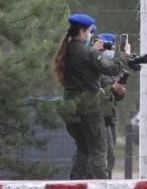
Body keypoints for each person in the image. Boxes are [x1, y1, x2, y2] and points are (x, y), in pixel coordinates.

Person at [52, 14, 126, 179]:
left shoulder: (67, 50)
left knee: (83, 149)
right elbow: (113, 69)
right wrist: (122, 53)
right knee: (99, 150)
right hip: (89, 107)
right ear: (83, 31)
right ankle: (102, 188)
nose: (92, 36)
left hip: (70, 106)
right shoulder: (87, 52)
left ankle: (75, 187)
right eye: (91, 32)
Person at [95, 32, 127, 178]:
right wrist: (113, 88)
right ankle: (103, 181)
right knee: (107, 153)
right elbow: (99, 91)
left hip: (110, 115)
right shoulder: (97, 64)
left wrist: (119, 91)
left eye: (113, 48)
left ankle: (107, 178)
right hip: (100, 115)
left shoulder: (109, 67)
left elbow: (114, 96)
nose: (111, 51)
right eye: (110, 47)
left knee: (111, 153)